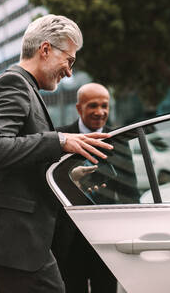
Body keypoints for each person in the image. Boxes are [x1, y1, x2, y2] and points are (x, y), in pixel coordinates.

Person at [0, 14, 113, 293]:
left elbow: (11, 164)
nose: (69, 72)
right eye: (69, 60)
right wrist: (59, 140)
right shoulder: (15, 85)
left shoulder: (20, 86)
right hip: (14, 246)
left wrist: (65, 174)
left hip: (1, 245)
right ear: (45, 50)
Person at [53, 83, 137, 293]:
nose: (100, 112)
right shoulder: (59, 137)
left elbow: (130, 192)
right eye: (93, 106)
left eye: (104, 106)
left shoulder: (119, 139)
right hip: (68, 242)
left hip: (105, 239)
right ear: (79, 108)